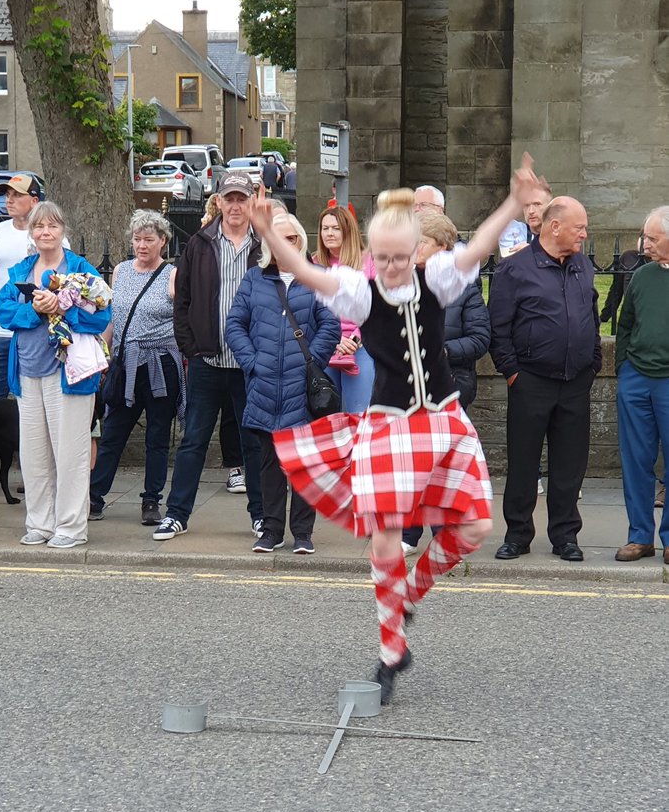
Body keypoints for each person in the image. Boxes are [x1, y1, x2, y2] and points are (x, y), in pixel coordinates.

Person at [249, 157, 540, 703]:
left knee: (474, 528)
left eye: (400, 257)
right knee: (384, 537)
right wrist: (268, 231)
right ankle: (391, 649)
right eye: (381, 257)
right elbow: (311, 275)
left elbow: (477, 250)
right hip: (390, 424)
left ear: (419, 251)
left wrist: (514, 203)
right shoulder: (361, 293)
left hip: (444, 419)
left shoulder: (439, 280)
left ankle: (409, 593)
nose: (389, 266)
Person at [489, 197, 601, 563]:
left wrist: (593, 362)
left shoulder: (583, 266)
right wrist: (512, 372)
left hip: (575, 381)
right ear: (555, 227)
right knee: (523, 461)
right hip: (531, 380)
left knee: (570, 464)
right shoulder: (516, 269)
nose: (584, 233)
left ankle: (565, 535)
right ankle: (518, 534)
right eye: (578, 227)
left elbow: (592, 316)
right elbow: (498, 325)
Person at [0, 200, 111, 548]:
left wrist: (62, 307)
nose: (46, 232)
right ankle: (40, 524)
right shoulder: (20, 272)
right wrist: (34, 308)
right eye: (39, 227)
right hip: (27, 373)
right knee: (33, 455)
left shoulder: (81, 270)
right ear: (32, 233)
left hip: (69, 375)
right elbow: (4, 312)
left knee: (71, 453)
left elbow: (101, 317)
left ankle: (71, 527)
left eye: (52, 226)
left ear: (63, 231)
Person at [153, 170, 263, 541]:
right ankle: (177, 514)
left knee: (253, 442)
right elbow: (182, 300)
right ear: (217, 201)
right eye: (228, 198)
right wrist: (190, 346)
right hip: (207, 361)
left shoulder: (264, 245)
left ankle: (262, 517)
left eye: (241, 199)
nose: (234, 205)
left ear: (251, 203)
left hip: (249, 365)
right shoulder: (200, 243)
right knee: (194, 440)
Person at [225, 213, 340, 554]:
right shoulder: (253, 280)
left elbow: (330, 327)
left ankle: (302, 533)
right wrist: (253, 362)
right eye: (278, 238)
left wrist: (310, 363)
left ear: (300, 242)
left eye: (291, 239)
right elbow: (235, 325)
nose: (285, 244)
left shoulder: (315, 278)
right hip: (264, 386)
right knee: (269, 464)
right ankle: (271, 530)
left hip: (301, 388)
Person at [402, 210, 491, 554]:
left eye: (419, 242)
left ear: (441, 246)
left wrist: (441, 350)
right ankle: (408, 533)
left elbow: (480, 338)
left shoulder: (464, 288)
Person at [89, 210, 184, 527]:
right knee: (113, 433)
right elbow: (115, 319)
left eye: (149, 239)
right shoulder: (120, 271)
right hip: (125, 364)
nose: (142, 245)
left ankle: (151, 502)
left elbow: (184, 321)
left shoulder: (172, 275)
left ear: (163, 241)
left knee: (157, 438)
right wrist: (103, 353)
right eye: (137, 239)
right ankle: (94, 497)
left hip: (160, 365)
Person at [613, 206, 669, 565]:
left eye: (652, 237)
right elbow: (625, 325)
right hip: (636, 379)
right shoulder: (642, 276)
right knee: (636, 461)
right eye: (645, 236)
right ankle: (639, 536)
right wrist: (623, 369)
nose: (644, 243)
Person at [314, 206, 376, 413]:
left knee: (357, 414)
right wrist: (334, 339)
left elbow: (376, 308)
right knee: (326, 417)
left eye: (335, 228)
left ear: (348, 231)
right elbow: (309, 310)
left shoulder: (368, 261)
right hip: (325, 345)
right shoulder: (314, 263)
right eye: (325, 228)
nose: (329, 233)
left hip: (360, 346)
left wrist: (354, 340)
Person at [0, 174, 42, 399]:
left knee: (32, 399)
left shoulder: (47, 235)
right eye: (7, 194)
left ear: (34, 201)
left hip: (36, 330)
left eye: (17, 195)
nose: (8, 200)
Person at [498, 181, 552, 257]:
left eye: (537, 204)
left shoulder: (559, 233)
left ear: (549, 207)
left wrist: (530, 250)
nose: (531, 211)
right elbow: (509, 262)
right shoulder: (514, 229)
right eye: (526, 205)